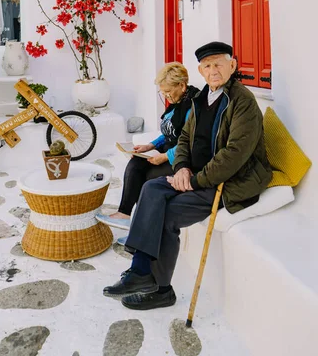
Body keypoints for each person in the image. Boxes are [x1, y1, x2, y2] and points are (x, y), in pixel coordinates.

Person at [103, 41, 272, 310]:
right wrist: (181, 167)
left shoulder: (243, 102)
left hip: (229, 182)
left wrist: (193, 181)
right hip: (195, 174)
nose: (213, 70)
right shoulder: (202, 98)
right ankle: (141, 272)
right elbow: (183, 138)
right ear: (200, 71)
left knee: (168, 213)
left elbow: (234, 156)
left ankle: (159, 289)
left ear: (233, 65)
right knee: (151, 189)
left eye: (219, 63)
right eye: (207, 65)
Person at [96, 62, 199, 243]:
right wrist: (150, 146)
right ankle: (124, 214)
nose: (166, 96)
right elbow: (168, 133)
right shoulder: (177, 103)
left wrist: (164, 156)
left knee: (149, 179)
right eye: (162, 92)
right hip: (166, 151)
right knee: (136, 163)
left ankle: (143, 235)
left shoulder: (193, 106)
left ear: (182, 86)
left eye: (168, 91)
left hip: (181, 158)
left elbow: (190, 142)